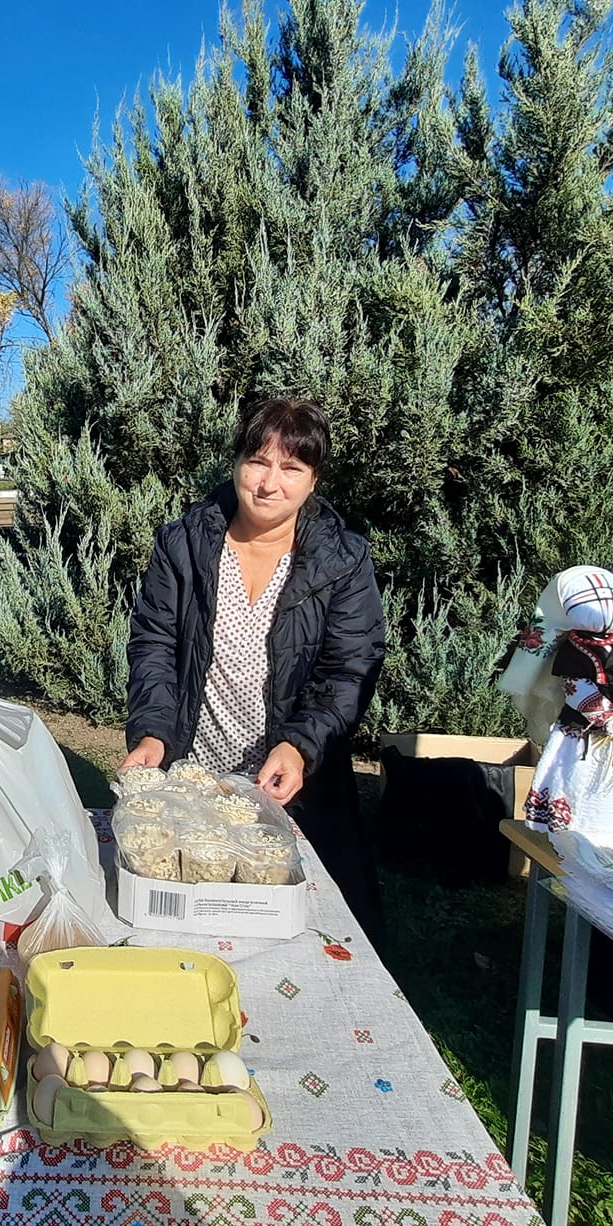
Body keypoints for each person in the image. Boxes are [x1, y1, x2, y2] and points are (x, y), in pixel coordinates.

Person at [122, 395, 387, 938]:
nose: (269, 483)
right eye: (257, 462)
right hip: (194, 774)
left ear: (313, 479)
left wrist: (300, 745)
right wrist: (153, 731)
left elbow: (348, 671)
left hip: (293, 781)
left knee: (298, 929)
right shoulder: (184, 544)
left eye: (291, 468)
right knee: (185, 915)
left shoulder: (343, 561)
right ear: (236, 463)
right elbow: (154, 645)